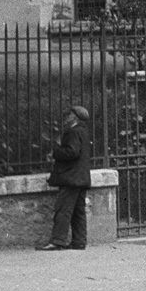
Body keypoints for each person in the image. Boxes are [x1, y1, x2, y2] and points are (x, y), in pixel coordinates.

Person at [43, 105, 92, 251]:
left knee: (63, 209)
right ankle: (79, 241)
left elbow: (72, 152)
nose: (66, 117)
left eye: (69, 115)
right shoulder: (83, 131)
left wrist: (55, 152)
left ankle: (57, 241)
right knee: (78, 211)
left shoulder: (73, 131)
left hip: (71, 177)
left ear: (75, 117)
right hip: (81, 177)